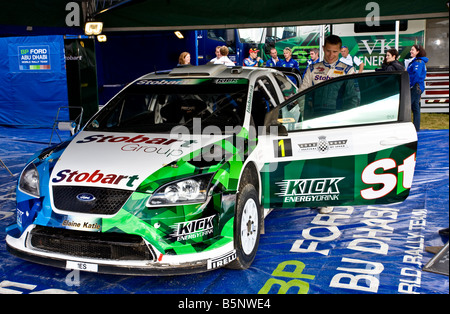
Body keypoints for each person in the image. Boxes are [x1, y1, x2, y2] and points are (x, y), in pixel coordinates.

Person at [300, 35, 355, 215]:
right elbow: (302, 94)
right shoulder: (313, 68)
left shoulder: (347, 70)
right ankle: (317, 196)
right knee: (314, 160)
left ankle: (330, 198)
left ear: (340, 51)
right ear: (323, 48)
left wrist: (346, 122)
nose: (331, 55)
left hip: (336, 123)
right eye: (328, 51)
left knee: (332, 161)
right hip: (314, 121)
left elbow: (353, 99)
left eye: (335, 52)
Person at [406, 44, 428, 132]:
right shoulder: (416, 61)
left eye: (412, 50)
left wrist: (410, 84)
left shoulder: (418, 62)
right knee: (415, 107)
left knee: (407, 107)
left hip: (416, 86)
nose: (410, 51)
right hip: (417, 86)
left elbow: (416, 75)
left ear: (418, 52)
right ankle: (416, 128)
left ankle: (409, 127)